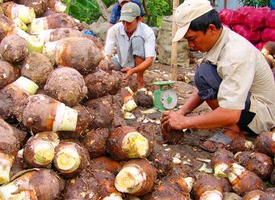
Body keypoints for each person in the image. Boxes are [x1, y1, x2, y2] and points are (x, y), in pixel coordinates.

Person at [160, 0, 275, 152]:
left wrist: (185, 122)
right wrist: (181, 112)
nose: (190, 45)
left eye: (192, 39)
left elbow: (231, 113)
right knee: (204, 74)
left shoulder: (235, 54)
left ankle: (233, 130)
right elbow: (204, 86)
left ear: (211, 29)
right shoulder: (219, 41)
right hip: (248, 105)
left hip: (260, 116)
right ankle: (231, 126)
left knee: (204, 73)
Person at [104, 2, 156, 88]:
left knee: (137, 39)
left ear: (139, 19)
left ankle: (140, 79)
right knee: (108, 66)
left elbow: (149, 60)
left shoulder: (147, 32)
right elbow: (107, 55)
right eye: (123, 22)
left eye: (129, 22)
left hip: (140, 64)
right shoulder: (114, 30)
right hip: (121, 61)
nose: (125, 25)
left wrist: (133, 70)